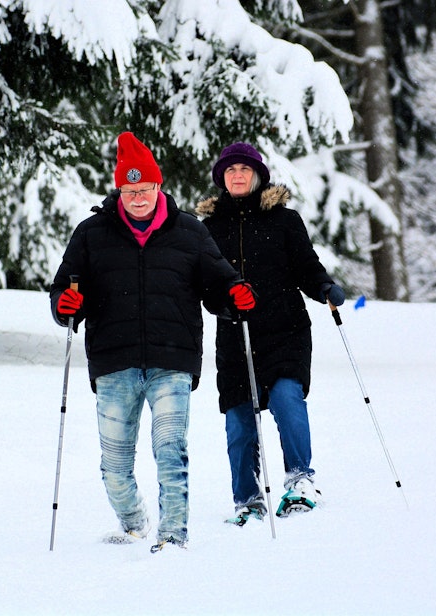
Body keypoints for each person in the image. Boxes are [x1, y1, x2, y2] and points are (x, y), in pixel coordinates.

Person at [49, 132, 254, 552]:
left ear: (158, 186)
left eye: (145, 189)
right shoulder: (91, 234)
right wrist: (67, 305)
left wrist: (235, 297)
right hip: (113, 362)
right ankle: (135, 521)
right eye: (130, 190)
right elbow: (64, 293)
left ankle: (173, 534)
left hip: (171, 359)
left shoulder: (189, 232)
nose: (138, 198)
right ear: (119, 189)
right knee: (115, 468)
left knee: (170, 452)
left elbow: (219, 285)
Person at [195, 142, 346, 524]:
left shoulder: (285, 220)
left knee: (287, 399)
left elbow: (307, 268)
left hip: (285, 329)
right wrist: (226, 304)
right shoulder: (208, 229)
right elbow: (205, 286)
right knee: (239, 422)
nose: (238, 175)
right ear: (222, 180)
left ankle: (300, 481)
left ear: (258, 175)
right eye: (230, 171)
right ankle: (247, 500)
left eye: (245, 169)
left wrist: (325, 288)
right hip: (234, 337)